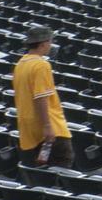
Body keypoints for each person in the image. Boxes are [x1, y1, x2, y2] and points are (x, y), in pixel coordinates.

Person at [13, 26, 70, 167]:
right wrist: (47, 126)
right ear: (43, 44)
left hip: (28, 127)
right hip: (49, 128)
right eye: (50, 42)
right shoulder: (41, 65)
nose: (51, 46)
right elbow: (40, 97)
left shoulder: (20, 64)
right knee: (62, 167)